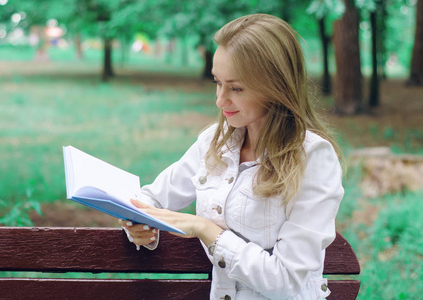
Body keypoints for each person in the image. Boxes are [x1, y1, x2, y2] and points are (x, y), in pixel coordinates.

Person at [119, 13, 344, 300]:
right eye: (217, 82)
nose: (220, 100)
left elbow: (286, 280)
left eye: (236, 88)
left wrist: (205, 230)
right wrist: (139, 227)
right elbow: (150, 199)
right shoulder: (214, 143)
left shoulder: (313, 158)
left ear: (276, 87)